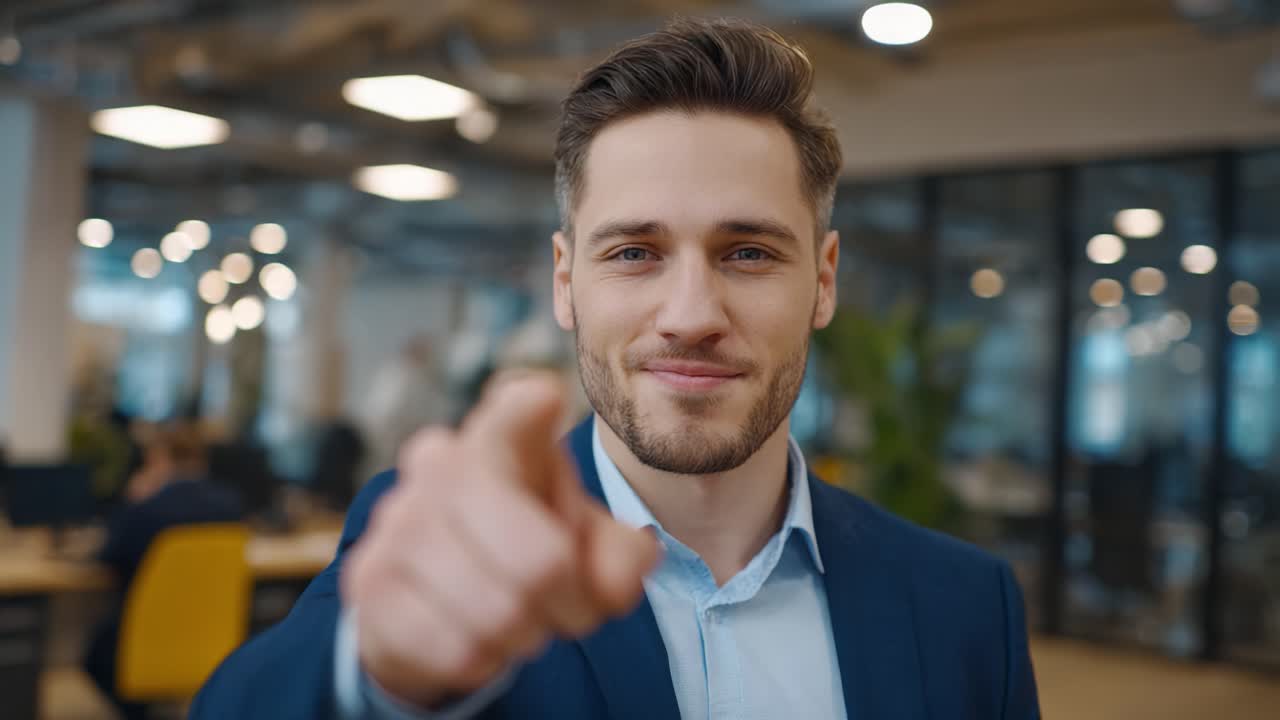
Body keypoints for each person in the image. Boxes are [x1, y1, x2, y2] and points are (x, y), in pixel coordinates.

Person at [193, 17, 1040, 720]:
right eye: (635, 252)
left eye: (747, 252)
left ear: (822, 281)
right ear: (566, 282)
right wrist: (383, 675)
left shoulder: (965, 606)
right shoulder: (463, 549)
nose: (691, 317)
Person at [85, 422, 243, 720]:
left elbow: (108, 557)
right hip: (210, 639)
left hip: (144, 637)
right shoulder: (230, 505)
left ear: (158, 459)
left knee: (95, 656)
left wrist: (134, 498)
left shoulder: (150, 509)